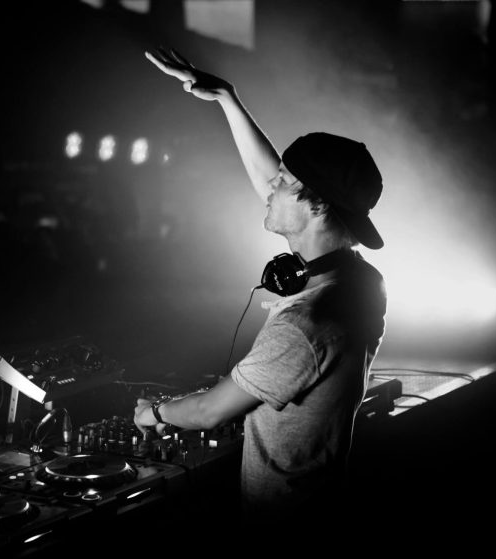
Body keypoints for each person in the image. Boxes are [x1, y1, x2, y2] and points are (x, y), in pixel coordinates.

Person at [134, 48, 387, 524]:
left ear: (317, 206)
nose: (270, 186)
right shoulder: (360, 281)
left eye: (284, 182)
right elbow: (276, 183)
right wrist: (227, 99)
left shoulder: (305, 323)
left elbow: (209, 412)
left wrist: (155, 413)